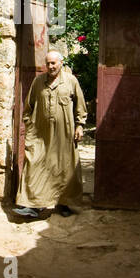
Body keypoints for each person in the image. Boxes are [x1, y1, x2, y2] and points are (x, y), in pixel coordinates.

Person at [13, 49, 87, 218]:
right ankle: (32, 205)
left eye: (53, 63)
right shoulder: (38, 82)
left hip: (64, 134)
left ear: (61, 63)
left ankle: (64, 202)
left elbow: (80, 106)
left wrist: (80, 126)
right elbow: (28, 107)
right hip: (41, 134)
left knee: (64, 167)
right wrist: (30, 126)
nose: (50, 66)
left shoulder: (71, 81)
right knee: (35, 164)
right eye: (48, 63)